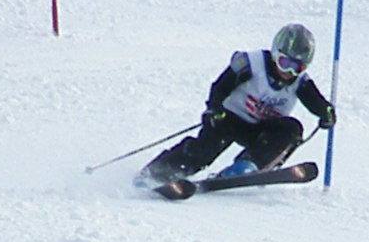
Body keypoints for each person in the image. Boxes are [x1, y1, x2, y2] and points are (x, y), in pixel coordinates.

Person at [134, 23, 336, 186]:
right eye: (285, 63)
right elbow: (221, 86)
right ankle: (157, 173)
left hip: (261, 131)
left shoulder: (300, 83)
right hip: (229, 119)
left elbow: (316, 101)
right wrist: (214, 109)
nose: (289, 72)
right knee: (205, 150)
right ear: (275, 54)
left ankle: (247, 166)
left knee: (292, 129)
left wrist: (326, 112)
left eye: (297, 68)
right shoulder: (252, 63)